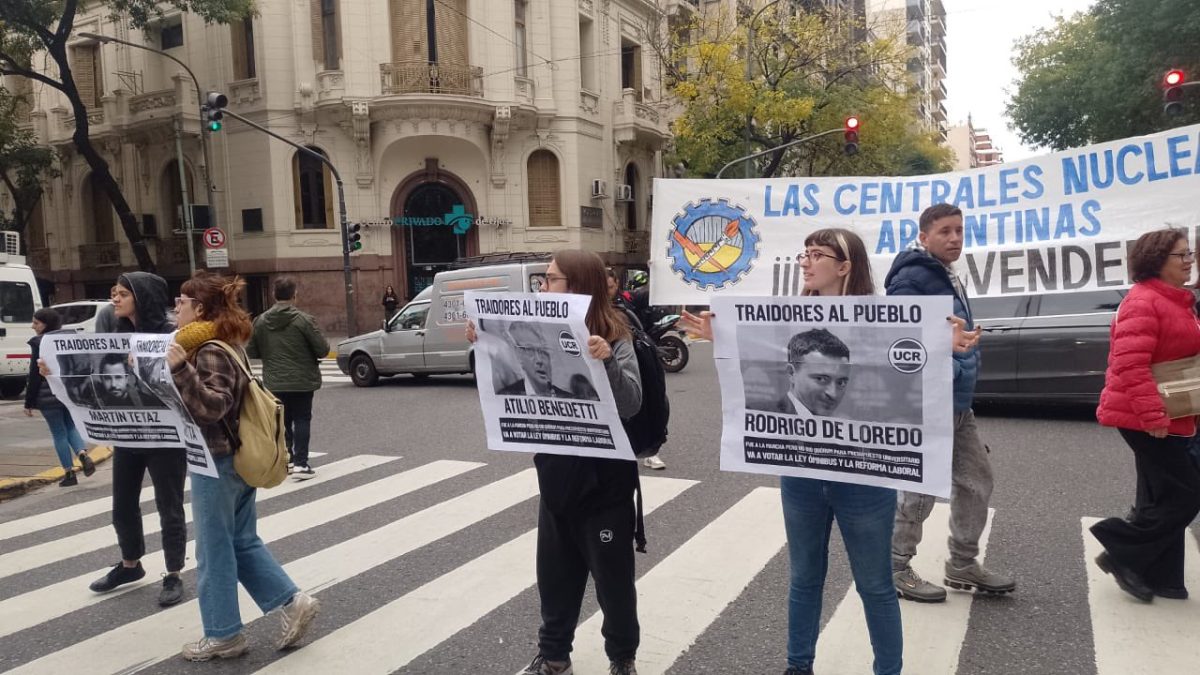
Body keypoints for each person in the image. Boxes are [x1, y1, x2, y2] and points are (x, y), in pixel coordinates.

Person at [679, 228, 979, 675]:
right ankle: (798, 667)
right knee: (804, 580)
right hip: (801, 476)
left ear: (844, 266)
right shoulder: (787, 317)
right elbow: (752, 360)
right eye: (805, 253)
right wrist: (720, 337)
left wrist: (950, 353)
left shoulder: (888, 317)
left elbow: (928, 383)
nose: (806, 261)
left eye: (818, 254)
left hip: (863, 479)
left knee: (875, 585)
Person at [469, 249, 644, 675]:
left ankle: (622, 658)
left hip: (606, 485)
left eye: (550, 279)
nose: (542, 288)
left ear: (577, 285)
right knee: (554, 575)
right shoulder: (533, 331)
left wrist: (606, 363)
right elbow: (502, 394)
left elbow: (633, 403)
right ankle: (553, 656)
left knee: (613, 582)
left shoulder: (617, 335)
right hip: (556, 476)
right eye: (543, 281)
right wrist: (484, 346)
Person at [168, 271, 320, 660]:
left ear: (199, 308)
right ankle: (291, 602)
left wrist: (180, 370)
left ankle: (223, 635)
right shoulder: (217, 345)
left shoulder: (210, 350)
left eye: (181, 302)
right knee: (241, 541)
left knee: (214, 549)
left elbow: (213, 406)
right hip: (230, 459)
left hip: (217, 461)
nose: (176, 308)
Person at [885, 203, 1015, 603]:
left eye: (959, 230)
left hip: (958, 402)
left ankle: (961, 563)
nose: (955, 238)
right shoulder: (911, 277)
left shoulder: (945, 275)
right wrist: (952, 365)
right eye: (945, 231)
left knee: (977, 481)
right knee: (919, 492)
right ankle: (893, 567)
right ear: (924, 237)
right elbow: (900, 336)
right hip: (928, 399)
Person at [1091, 228, 1200, 602]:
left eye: (1190, 254)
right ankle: (1120, 547)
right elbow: (1130, 365)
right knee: (1187, 495)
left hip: (1177, 413)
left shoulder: (1178, 300)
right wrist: (1154, 416)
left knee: (1161, 495)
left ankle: (1163, 578)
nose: (1189, 261)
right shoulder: (1143, 301)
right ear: (1157, 261)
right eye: (1181, 256)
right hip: (1146, 417)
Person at [83, 272, 189, 606]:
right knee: (122, 504)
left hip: (165, 437)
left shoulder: (170, 335)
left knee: (168, 505)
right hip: (128, 434)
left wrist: (148, 365)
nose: (115, 298)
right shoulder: (115, 334)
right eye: (114, 293)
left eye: (123, 293)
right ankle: (130, 564)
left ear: (141, 297)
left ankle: (173, 573)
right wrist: (52, 372)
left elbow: (182, 380)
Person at [247, 277, 329, 478]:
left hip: (274, 380)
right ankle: (301, 463)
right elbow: (323, 349)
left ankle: (289, 460)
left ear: (273, 295)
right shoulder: (303, 320)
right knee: (302, 418)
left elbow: (252, 351)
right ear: (294, 295)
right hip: (302, 379)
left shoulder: (260, 321)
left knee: (282, 421)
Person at [24, 308, 95, 487]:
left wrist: (29, 401)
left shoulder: (39, 343)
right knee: (71, 427)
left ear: (45, 324)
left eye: (36, 323)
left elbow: (34, 374)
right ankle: (82, 454)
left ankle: (69, 473)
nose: (33, 326)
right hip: (67, 392)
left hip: (46, 395)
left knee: (58, 433)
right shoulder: (67, 338)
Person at [607, 269, 667, 471]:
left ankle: (651, 452)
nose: (607, 291)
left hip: (641, 347)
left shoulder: (626, 301)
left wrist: (658, 270)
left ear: (616, 284)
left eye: (610, 287)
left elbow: (650, 292)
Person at [775, 329, 851, 417]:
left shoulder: (846, 425)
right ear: (792, 373)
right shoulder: (759, 415)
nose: (833, 394)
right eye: (821, 379)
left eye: (841, 383)